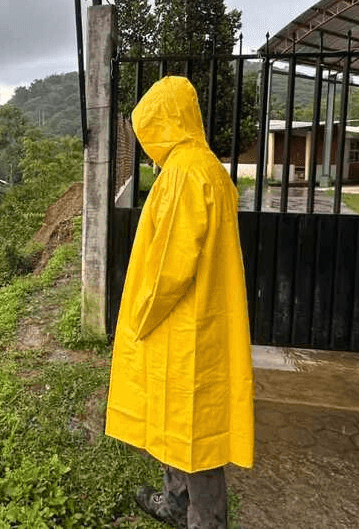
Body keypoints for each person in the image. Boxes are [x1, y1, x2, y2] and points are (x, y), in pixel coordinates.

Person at [105, 76, 254, 529]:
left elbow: (171, 267)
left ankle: (204, 520)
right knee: (179, 420)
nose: (147, 140)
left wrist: (139, 317)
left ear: (164, 121)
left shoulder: (185, 175)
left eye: (148, 127)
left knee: (196, 431)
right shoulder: (204, 167)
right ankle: (175, 503)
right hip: (195, 320)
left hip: (183, 323)